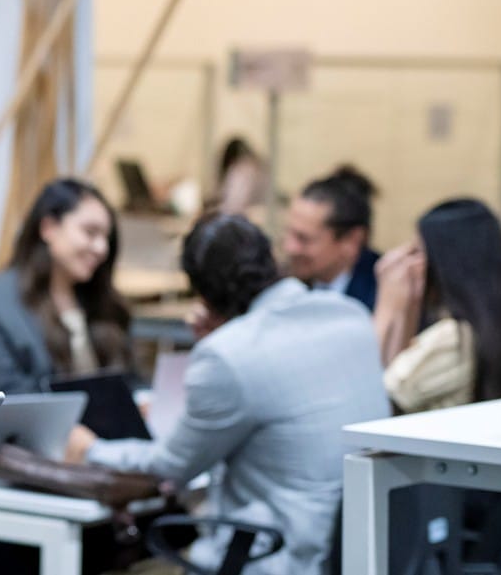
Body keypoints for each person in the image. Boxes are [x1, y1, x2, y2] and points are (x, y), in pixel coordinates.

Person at [67, 213, 389, 575]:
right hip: (357, 553)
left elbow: (171, 467)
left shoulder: (229, 355)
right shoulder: (352, 315)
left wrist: (90, 450)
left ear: (204, 294)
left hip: (272, 559)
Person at [0, 178, 131, 394]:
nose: (101, 248)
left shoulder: (103, 301)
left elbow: (129, 378)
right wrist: (71, 428)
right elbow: (5, 395)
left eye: (107, 237)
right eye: (90, 232)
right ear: (48, 227)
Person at [375, 198, 501, 413]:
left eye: (417, 252)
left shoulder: (453, 338)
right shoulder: (486, 325)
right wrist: (410, 308)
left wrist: (386, 309)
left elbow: (375, 396)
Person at [283, 165, 380, 311]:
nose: (289, 248)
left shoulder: (382, 295)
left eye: (304, 239)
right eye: (288, 233)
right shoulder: (285, 285)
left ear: (351, 241)